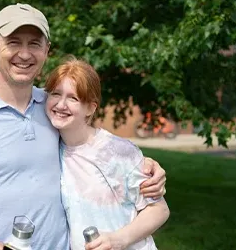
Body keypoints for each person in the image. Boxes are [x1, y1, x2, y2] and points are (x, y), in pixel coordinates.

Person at [0, 3, 167, 250]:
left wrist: (142, 164)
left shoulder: (52, 107)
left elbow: (91, 145)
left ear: (46, 51)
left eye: (34, 44)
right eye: (14, 42)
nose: (25, 54)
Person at [46, 57, 170, 250]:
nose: (61, 104)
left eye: (73, 98)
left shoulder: (118, 151)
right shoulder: (51, 147)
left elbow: (159, 210)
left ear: (90, 108)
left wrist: (117, 240)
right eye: (55, 94)